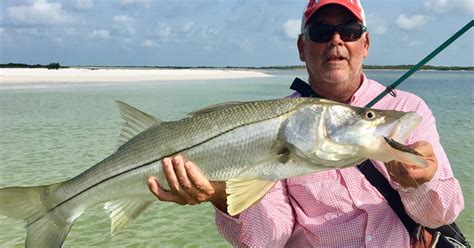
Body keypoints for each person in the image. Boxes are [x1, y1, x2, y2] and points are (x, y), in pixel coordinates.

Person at [147, 0, 465, 246]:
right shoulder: (274, 127)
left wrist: (423, 181)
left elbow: (441, 214)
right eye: (321, 32)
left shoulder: (405, 108)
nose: (336, 41)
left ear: (365, 44)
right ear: (302, 47)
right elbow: (268, 241)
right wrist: (220, 196)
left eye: (350, 31)